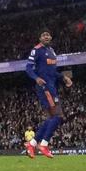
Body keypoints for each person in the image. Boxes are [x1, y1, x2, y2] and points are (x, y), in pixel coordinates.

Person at [23, 30, 71, 159]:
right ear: (40, 38)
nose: (46, 37)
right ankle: (43, 144)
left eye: (48, 35)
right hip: (44, 87)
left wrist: (63, 77)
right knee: (58, 115)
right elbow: (28, 68)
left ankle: (32, 144)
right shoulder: (36, 50)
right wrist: (36, 78)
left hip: (52, 87)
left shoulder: (52, 51)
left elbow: (53, 71)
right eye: (44, 35)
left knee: (51, 118)